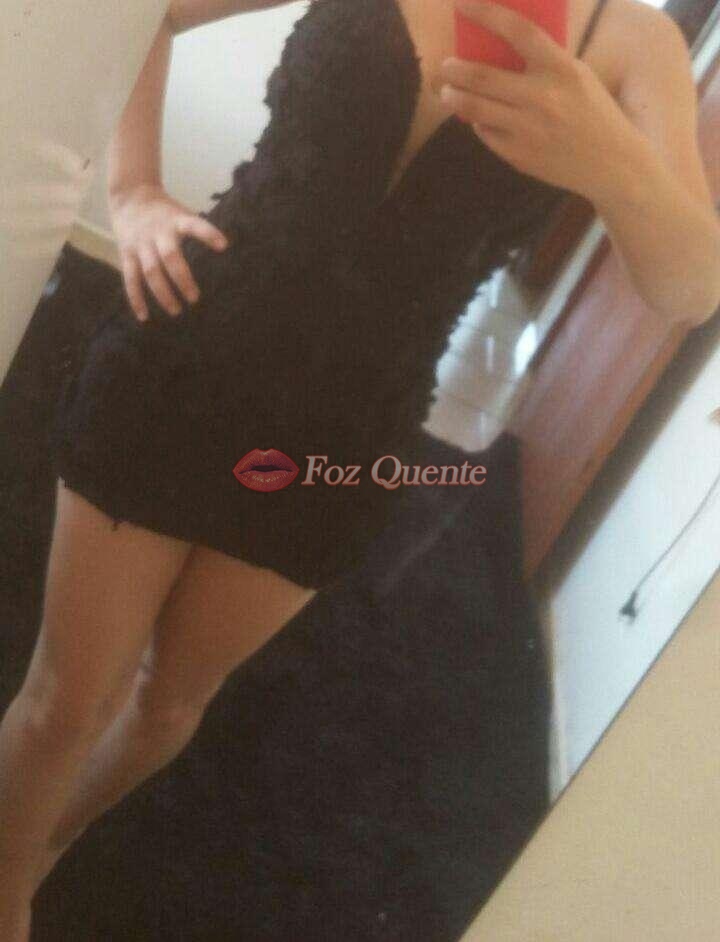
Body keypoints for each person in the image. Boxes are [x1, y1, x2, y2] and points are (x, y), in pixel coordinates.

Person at [1, 0, 718, 936]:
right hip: (188, 352)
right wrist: (133, 191)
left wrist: (612, 158)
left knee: (170, 704)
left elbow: (690, 288)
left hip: (346, 442)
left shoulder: (632, 45)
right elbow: (153, 14)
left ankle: (43, 847)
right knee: (65, 702)